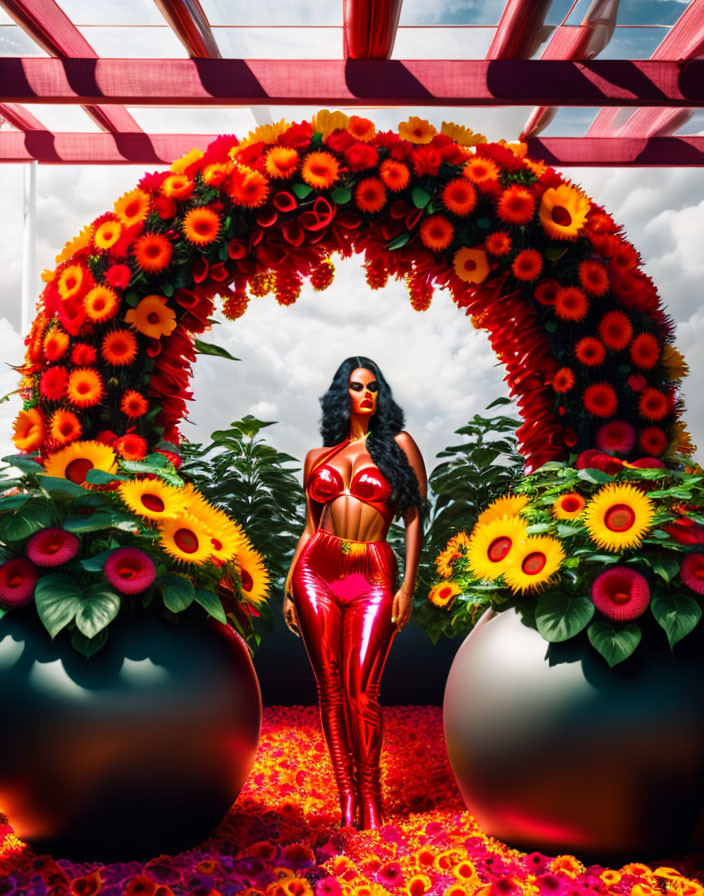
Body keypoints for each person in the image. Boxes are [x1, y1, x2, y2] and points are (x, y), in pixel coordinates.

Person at [283, 356, 427, 830]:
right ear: (339, 395)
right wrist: (288, 586)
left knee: (361, 689)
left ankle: (371, 797)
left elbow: (412, 518)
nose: (366, 394)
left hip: (373, 569)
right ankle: (347, 797)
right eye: (356, 386)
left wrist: (407, 584)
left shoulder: (399, 446)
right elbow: (309, 527)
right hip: (316, 568)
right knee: (329, 688)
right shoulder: (316, 458)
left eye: (373, 387)